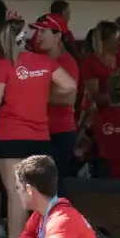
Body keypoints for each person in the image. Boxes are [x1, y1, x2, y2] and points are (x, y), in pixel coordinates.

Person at [0, 22, 77, 238]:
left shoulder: (3, 64)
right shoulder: (46, 62)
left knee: (16, 193)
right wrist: (43, 93)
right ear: (27, 39)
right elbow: (70, 85)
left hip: (10, 137)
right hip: (40, 137)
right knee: (41, 195)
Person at [32, 14, 80, 189]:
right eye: (37, 31)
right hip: (39, 131)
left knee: (52, 186)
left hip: (59, 132)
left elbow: (69, 97)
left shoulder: (67, 62)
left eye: (44, 31)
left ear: (58, 35)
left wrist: (37, 94)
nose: (39, 35)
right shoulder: (37, 59)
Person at [80, 21, 120, 108]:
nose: (119, 43)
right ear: (104, 41)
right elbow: (94, 96)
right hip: (97, 112)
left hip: (116, 110)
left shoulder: (119, 57)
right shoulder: (90, 62)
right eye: (115, 40)